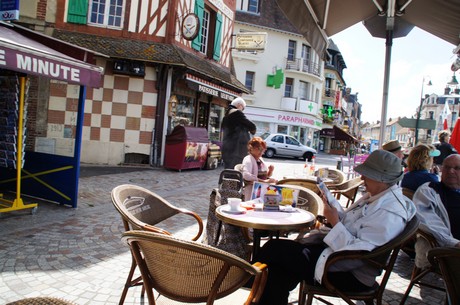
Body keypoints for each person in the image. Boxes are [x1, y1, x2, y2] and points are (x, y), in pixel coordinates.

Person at [252, 150, 416, 305]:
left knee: (274, 248)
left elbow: (357, 254)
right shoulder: (379, 197)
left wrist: (334, 221)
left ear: (381, 179)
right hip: (335, 256)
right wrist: (334, 209)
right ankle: (253, 283)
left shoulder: (390, 212)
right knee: (278, 273)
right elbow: (354, 226)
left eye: (368, 174)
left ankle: (245, 277)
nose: (363, 177)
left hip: (347, 273)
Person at [412, 154, 460, 268]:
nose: (451, 171)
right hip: (445, 252)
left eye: (457, 168)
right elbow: (426, 222)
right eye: (447, 167)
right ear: (441, 169)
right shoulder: (429, 190)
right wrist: (454, 243)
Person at [221, 97, 256, 169]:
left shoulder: (226, 115)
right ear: (239, 105)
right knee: (236, 172)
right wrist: (252, 131)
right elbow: (252, 126)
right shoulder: (237, 113)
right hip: (237, 150)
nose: (242, 111)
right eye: (243, 108)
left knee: (228, 171)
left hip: (227, 149)